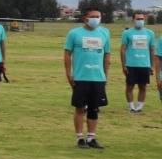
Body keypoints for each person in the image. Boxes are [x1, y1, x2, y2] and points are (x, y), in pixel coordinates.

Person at [66, 9, 111, 149]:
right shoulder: (74, 33)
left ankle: (91, 138)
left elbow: (107, 55)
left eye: (98, 16)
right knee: (80, 108)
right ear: (85, 18)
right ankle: (80, 138)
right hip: (81, 77)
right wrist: (69, 74)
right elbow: (67, 54)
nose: (95, 19)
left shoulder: (105, 33)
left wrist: (105, 74)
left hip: (98, 78)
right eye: (92, 16)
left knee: (94, 109)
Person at [120, 12, 154, 113]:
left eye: (142, 19)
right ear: (133, 20)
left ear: (144, 19)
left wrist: (151, 65)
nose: (140, 21)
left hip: (144, 64)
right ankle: (131, 106)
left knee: (143, 86)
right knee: (129, 86)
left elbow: (152, 50)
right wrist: (124, 64)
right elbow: (123, 49)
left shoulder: (150, 33)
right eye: (138, 19)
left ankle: (139, 107)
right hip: (131, 64)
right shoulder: (127, 33)